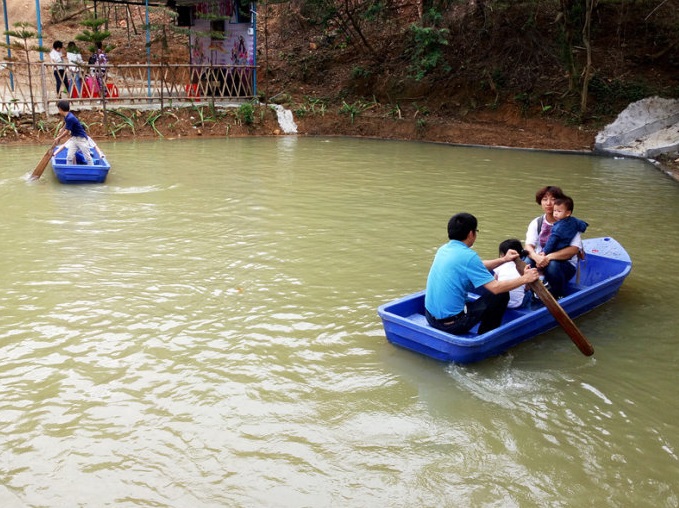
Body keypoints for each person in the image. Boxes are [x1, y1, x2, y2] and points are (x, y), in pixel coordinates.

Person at [424, 213, 539, 335]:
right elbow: (496, 288)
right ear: (470, 233)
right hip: (452, 325)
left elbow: (477, 266)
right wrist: (525, 278)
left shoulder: (444, 249)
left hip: (430, 318)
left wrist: (504, 259)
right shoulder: (469, 257)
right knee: (501, 295)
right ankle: (487, 335)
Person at [524, 186, 583, 298]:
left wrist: (549, 257)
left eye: (553, 199)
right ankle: (531, 290)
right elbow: (528, 245)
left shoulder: (571, 224)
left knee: (552, 265)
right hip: (541, 260)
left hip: (564, 265)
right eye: (545, 199)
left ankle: (557, 294)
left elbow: (573, 250)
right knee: (527, 260)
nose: (549, 203)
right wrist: (536, 257)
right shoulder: (537, 222)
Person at [494, 239, 531, 309]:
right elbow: (527, 287)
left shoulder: (499, 266)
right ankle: (528, 310)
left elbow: (495, 281)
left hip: (502, 303)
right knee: (529, 293)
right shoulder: (525, 267)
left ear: (502, 254)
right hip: (518, 304)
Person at [54, 100, 93, 165]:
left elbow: (67, 131)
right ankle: (69, 168)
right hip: (74, 138)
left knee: (87, 157)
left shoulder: (70, 117)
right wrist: (62, 129)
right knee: (69, 157)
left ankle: (92, 169)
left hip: (81, 139)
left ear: (60, 109)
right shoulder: (67, 116)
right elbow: (66, 124)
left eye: (58, 109)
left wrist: (59, 138)